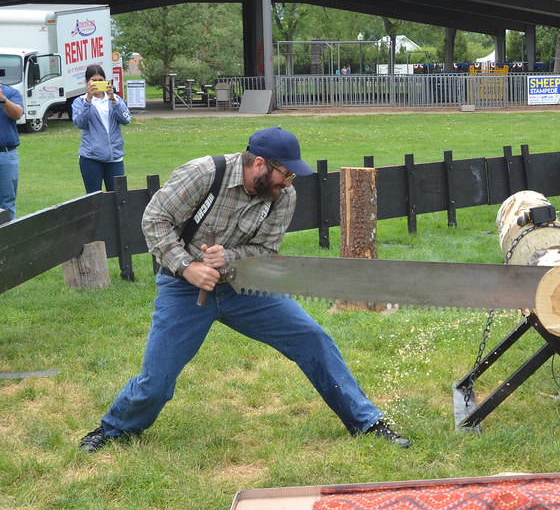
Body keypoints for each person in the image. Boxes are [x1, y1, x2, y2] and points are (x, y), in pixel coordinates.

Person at [80, 127, 410, 452]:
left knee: (313, 339)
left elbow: (267, 249)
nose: (288, 182)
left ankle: (367, 422)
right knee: (156, 383)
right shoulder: (204, 174)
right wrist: (187, 267)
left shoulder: (283, 196)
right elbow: (155, 219)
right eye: (284, 173)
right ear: (259, 164)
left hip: (246, 287)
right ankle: (113, 429)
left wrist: (229, 257)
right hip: (184, 289)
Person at [72, 64, 132, 193]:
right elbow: (79, 123)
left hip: (114, 157)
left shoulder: (115, 99)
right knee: (94, 200)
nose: (97, 84)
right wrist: (88, 100)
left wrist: (113, 100)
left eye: (101, 80)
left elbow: (126, 119)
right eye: (94, 81)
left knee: (118, 198)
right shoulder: (80, 101)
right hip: (91, 158)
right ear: (87, 82)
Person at [0, 79, 25, 221]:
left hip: (5, 154)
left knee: (7, 203)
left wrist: (3, 99)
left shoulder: (11, 92)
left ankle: (9, 241)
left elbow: (17, 114)